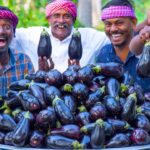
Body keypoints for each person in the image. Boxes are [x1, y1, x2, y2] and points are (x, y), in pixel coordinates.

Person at [10, 0, 110, 72]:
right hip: (40, 94)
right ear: (48, 19)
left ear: (74, 19)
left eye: (67, 16)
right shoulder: (31, 35)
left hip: (79, 94)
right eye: (56, 15)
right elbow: (6, 34)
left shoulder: (90, 36)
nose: (61, 21)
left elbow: (116, 37)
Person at [95, 0, 150, 93]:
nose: (113, 29)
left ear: (133, 22)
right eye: (108, 24)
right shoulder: (104, 53)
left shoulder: (146, 51)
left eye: (119, 23)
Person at [0, 6, 34, 96]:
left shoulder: (24, 61)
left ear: (14, 32)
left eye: (7, 27)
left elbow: (33, 96)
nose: (1, 31)